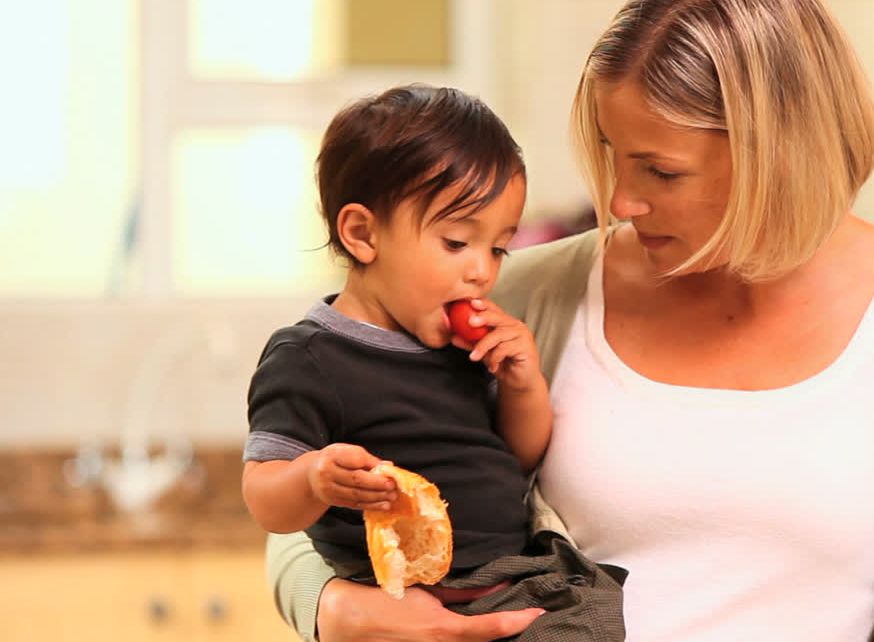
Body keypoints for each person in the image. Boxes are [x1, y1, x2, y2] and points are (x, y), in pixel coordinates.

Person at [264, 0, 874, 642]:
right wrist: (332, 610)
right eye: (612, 155)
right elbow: (306, 510)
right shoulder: (517, 303)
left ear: (776, 154)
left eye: (660, 171)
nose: (620, 201)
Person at [241, 84, 625, 641]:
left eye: (497, 248)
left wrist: (522, 384)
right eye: (455, 243)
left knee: (594, 616)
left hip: (505, 576)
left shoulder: (461, 345)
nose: (482, 272)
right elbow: (265, 500)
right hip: (399, 596)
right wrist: (314, 478)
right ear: (362, 234)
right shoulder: (307, 356)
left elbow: (516, 457)